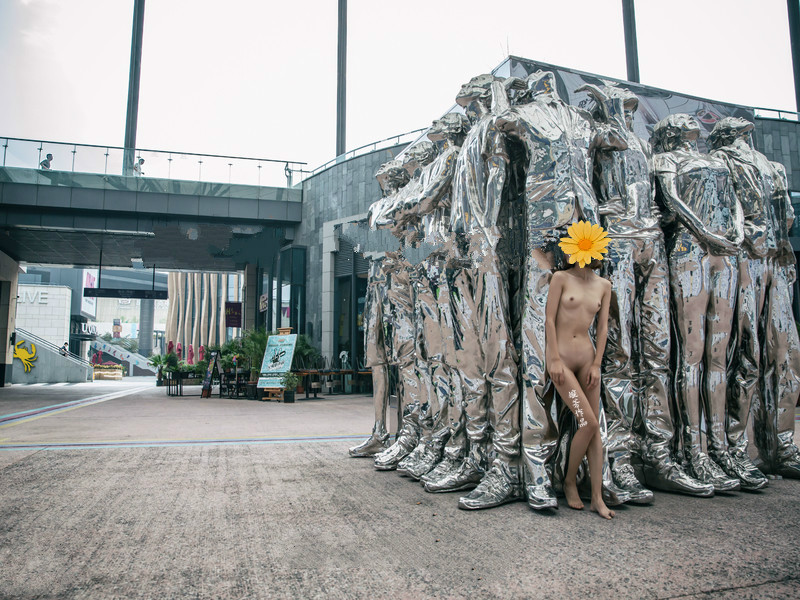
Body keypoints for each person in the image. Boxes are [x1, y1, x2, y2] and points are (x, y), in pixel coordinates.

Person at [652, 113, 742, 493]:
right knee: (691, 355)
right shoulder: (665, 159)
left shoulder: (716, 160)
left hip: (724, 252)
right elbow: (672, 203)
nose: (691, 122)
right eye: (682, 120)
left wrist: (735, 233)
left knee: (718, 356)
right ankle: (695, 451)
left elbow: (733, 200)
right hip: (689, 250)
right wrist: (706, 232)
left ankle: (720, 448)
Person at [546, 220, 614, 519]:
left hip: (588, 360)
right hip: (563, 359)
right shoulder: (560, 278)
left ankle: (597, 497)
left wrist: (597, 364)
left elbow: (603, 328)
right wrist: (553, 359)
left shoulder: (604, 286)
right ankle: (570, 480)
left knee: (594, 429)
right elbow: (549, 320)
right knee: (587, 422)